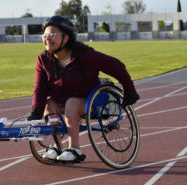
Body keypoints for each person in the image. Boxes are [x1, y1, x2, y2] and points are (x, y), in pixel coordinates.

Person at [27, 16, 139, 162]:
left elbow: (117, 66)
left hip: (88, 100)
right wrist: (36, 110)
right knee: (49, 104)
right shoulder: (43, 59)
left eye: (53, 35)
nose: (48, 39)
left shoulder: (85, 55)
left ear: (66, 38)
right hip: (61, 99)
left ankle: (74, 148)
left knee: (71, 104)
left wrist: (129, 89)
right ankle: (57, 146)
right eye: (45, 35)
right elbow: (39, 88)